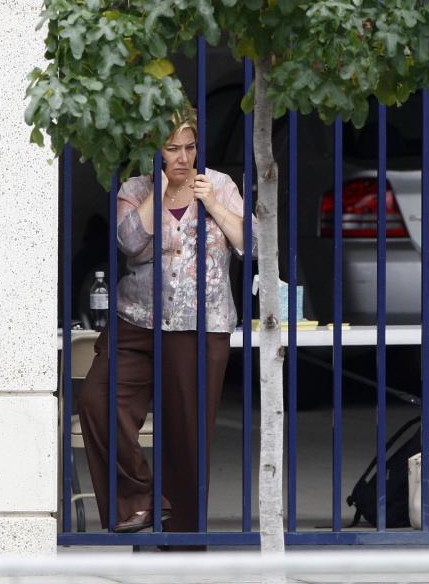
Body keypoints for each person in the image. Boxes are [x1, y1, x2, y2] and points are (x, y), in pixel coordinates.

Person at [78, 101, 256, 540]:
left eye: (189, 147)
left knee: (186, 437)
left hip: (201, 324)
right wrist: (159, 194)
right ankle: (140, 501)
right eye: (171, 147)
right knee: (97, 402)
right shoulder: (136, 189)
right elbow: (129, 243)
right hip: (136, 320)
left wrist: (211, 202)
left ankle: (183, 545)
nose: (182, 158)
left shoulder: (219, 185)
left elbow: (250, 244)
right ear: (154, 149)